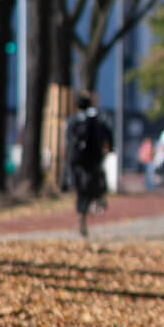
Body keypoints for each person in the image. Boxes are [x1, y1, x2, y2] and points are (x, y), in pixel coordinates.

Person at [65, 92, 112, 237]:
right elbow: (105, 136)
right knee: (93, 184)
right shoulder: (96, 120)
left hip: (76, 160)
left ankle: (81, 213)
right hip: (92, 160)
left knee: (80, 189)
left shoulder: (72, 120)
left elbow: (68, 141)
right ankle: (96, 202)